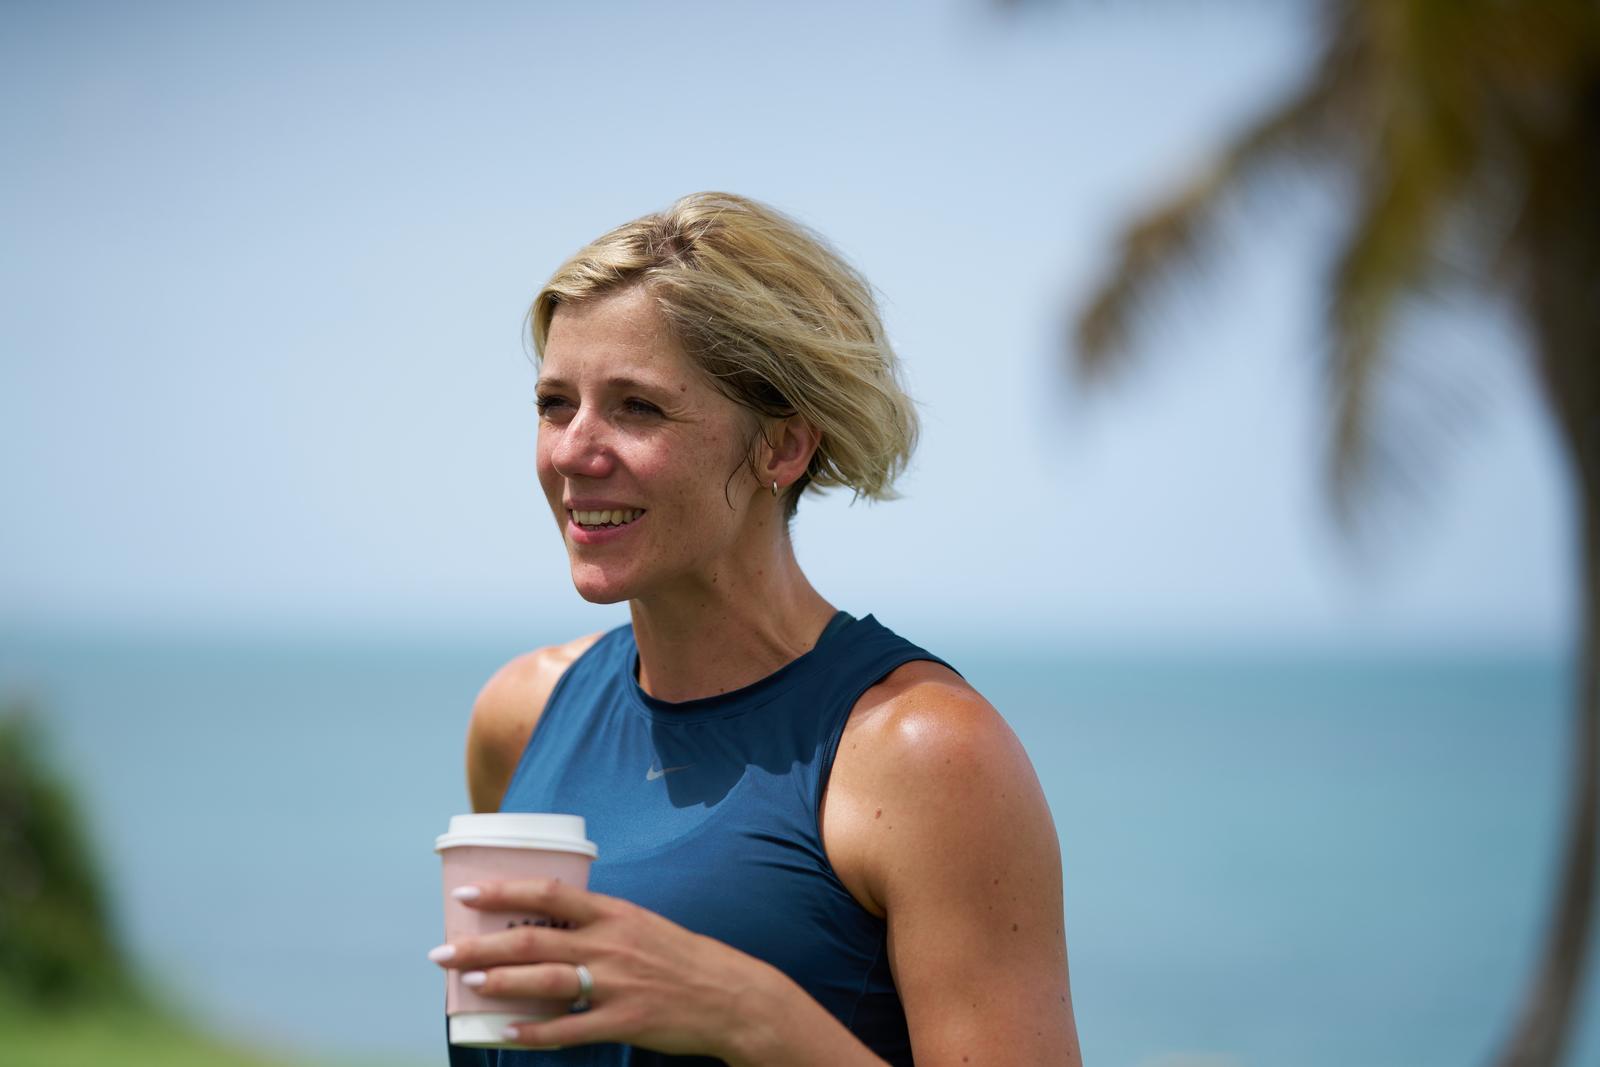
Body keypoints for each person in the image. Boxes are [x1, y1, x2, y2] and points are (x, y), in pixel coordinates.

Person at [434, 192, 1082, 1066]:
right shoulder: (521, 715)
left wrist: (756, 1017)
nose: (573, 451)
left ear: (783, 447)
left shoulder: (928, 754)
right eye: (555, 404)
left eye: (637, 407)